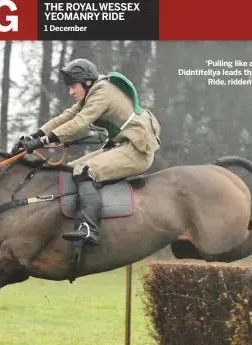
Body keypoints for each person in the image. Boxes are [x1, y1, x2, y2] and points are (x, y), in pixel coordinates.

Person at [15, 58, 161, 246]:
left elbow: (79, 123)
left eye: (74, 86)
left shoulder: (102, 93)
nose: (71, 92)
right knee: (67, 171)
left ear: (87, 82)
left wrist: (42, 142)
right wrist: (34, 136)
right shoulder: (92, 92)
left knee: (84, 171)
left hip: (137, 152)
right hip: (121, 146)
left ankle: (90, 229)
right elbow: (66, 117)